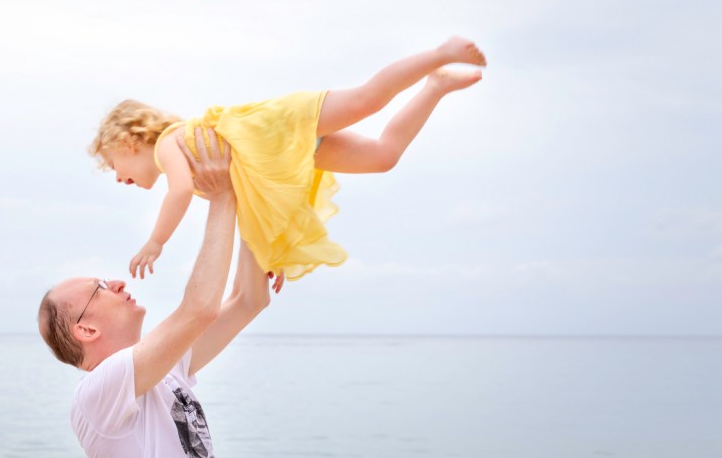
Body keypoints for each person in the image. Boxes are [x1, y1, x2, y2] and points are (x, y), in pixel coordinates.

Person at [39, 129, 271, 458]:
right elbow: (199, 309)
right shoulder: (97, 393)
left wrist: (256, 217)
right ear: (86, 328)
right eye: (101, 286)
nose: (118, 280)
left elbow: (249, 300)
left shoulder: (169, 373)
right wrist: (222, 195)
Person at [87, 36, 487, 283]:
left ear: (128, 141)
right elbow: (250, 205)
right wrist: (269, 256)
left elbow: (179, 191)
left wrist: (156, 242)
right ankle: (436, 86)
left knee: (367, 99)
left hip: (280, 126)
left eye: (112, 166)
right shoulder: (194, 163)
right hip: (289, 151)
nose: (118, 178)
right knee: (383, 157)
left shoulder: (169, 144)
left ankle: (439, 54)